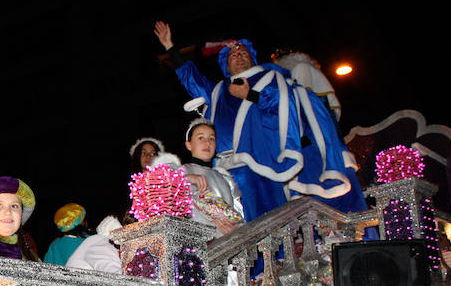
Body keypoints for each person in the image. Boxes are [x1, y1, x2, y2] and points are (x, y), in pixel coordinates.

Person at [153, 21, 366, 218]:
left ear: (252, 58)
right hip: (226, 170)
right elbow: (192, 79)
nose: (238, 55)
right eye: (232, 54)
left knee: (270, 221)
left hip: (261, 163)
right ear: (225, 65)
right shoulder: (218, 90)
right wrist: (170, 47)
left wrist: (250, 95)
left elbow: (282, 107)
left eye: (243, 52)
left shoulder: (271, 79)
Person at [177, 119, 244, 237]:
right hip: (197, 244)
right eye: (201, 138)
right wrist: (187, 178)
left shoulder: (225, 177)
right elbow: (164, 193)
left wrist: (235, 227)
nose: (207, 143)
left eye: (211, 138)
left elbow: (238, 212)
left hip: (227, 243)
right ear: (188, 144)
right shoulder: (181, 171)